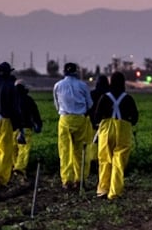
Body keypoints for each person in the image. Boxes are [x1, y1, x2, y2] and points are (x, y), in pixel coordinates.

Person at [91, 71, 139, 199]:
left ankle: (102, 189)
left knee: (105, 159)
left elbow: (96, 116)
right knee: (119, 161)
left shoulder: (104, 97)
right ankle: (114, 192)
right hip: (123, 129)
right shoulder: (128, 98)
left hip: (106, 129)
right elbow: (135, 118)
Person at [53, 63, 94, 190]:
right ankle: (80, 179)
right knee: (80, 151)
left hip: (65, 119)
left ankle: (67, 181)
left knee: (65, 151)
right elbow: (90, 104)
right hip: (80, 119)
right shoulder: (82, 85)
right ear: (76, 72)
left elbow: (57, 105)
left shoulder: (58, 85)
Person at [12, 80, 43, 179]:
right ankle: (19, 169)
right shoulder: (28, 100)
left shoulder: (10, 99)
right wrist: (38, 125)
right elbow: (35, 114)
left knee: (13, 149)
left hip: (12, 128)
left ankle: (14, 167)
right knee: (23, 149)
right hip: (25, 128)